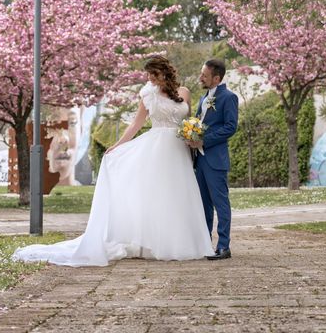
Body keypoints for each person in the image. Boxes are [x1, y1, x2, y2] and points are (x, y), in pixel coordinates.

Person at [12, 55, 213, 266]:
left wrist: (193, 134)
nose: (149, 78)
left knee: (179, 193)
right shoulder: (147, 95)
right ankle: (156, 243)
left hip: (179, 149)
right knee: (160, 193)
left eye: (152, 74)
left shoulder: (185, 93)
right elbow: (135, 124)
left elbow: (190, 120)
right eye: (148, 75)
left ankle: (183, 242)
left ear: (164, 72)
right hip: (158, 148)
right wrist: (118, 145)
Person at [189, 59, 239, 260]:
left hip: (215, 159)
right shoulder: (203, 98)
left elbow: (230, 127)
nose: (200, 77)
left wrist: (203, 141)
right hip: (199, 161)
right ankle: (205, 244)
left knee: (221, 203)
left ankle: (224, 246)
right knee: (204, 205)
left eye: (204, 75)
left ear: (216, 78)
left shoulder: (229, 97)